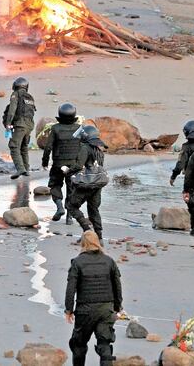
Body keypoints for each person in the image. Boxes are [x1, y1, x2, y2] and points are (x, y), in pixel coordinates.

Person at [65, 231, 122, 366]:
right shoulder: (109, 261)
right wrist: (117, 307)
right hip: (106, 309)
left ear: (83, 243)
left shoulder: (77, 262)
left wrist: (68, 310)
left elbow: (71, 289)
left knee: (78, 344)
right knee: (105, 343)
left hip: (85, 310)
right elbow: (117, 286)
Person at [42, 103, 81, 224]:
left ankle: (59, 207)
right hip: (74, 165)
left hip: (58, 164)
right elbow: (84, 146)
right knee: (72, 189)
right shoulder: (79, 129)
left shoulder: (55, 128)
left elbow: (48, 147)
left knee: (55, 185)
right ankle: (69, 217)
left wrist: (45, 162)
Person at [66, 125, 108, 240]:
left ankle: (87, 230)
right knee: (93, 210)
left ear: (86, 136)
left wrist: (68, 171)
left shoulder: (84, 148)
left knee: (71, 206)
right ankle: (99, 237)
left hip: (85, 184)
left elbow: (79, 166)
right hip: (97, 184)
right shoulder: (99, 150)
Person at [3, 77, 36, 179]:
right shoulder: (30, 97)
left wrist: (8, 124)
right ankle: (26, 169)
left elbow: (12, 110)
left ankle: (20, 169)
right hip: (29, 125)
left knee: (14, 146)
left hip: (20, 124)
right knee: (24, 147)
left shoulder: (16, 94)